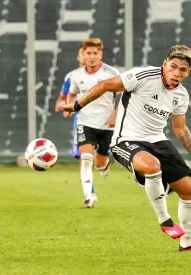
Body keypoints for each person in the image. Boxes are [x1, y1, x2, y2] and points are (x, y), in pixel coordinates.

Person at [60, 45, 191, 252]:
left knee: (190, 193)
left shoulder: (181, 95)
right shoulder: (142, 76)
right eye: (173, 67)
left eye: (183, 70)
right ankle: (165, 220)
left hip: (158, 141)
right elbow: (105, 85)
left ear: (188, 72)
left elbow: (180, 129)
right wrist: (77, 106)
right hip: (126, 140)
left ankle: (187, 244)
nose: (177, 73)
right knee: (152, 167)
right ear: (165, 64)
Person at [63, 38, 119, 209]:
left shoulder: (110, 73)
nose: (92, 56)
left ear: (101, 54)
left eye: (95, 53)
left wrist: (115, 116)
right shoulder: (76, 76)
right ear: (83, 54)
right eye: (89, 53)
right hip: (85, 122)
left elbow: (125, 96)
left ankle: (104, 165)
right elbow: (72, 94)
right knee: (86, 158)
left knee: (99, 162)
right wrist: (68, 107)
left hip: (106, 124)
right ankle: (89, 196)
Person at [54, 46, 86, 160]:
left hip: (100, 115)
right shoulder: (71, 76)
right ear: (78, 57)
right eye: (82, 53)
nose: (85, 56)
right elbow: (62, 97)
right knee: (82, 153)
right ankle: (86, 177)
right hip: (80, 116)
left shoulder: (102, 75)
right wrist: (62, 105)